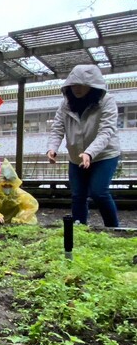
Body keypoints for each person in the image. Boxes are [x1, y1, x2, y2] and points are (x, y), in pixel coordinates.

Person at [47, 64, 121, 227]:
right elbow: (58, 127)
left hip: (104, 155)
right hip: (76, 157)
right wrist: (53, 148)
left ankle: (114, 229)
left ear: (93, 86)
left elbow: (106, 131)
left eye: (82, 85)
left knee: (99, 192)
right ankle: (78, 229)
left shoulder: (107, 101)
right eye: (74, 84)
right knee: (78, 195)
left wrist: (89, 153)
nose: (77, 89)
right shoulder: (65, 104)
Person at [0, 158, 39, 225]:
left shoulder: (19, 193)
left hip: (14, 220)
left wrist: (20, 218)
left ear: (14, 185)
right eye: (4, 186)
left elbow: (31, 206)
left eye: (10, 186)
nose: (7, 188)